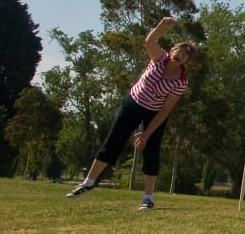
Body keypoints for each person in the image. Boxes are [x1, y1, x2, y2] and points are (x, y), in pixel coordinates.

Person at [66, 17, 198, 210]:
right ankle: (88, 182)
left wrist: (146, 133)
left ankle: (148, 198)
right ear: (172, 51)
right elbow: (149, 42)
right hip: (133, 103)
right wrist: (161, 25)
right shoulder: (159, 58)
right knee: (113, 142)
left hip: (155, 113)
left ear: (187, 61)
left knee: (152, 151)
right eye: (180, 50)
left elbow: (166, 110)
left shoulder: (180, 81)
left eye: (186, 55)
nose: (181, 55)